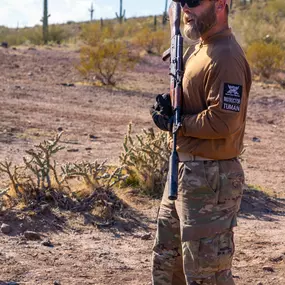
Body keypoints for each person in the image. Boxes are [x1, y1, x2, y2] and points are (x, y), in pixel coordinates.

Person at [149, 0, 252, 284]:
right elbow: (192, 105)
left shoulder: (226, 56)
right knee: (168, 267)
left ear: (221, 4)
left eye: (193, 1)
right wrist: (169, 108)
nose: (185, 8)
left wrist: (177, 124)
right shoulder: (199, 50)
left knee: (206, 275)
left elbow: (224, 121)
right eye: (182, 1)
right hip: (183, 172)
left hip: (210, 178)